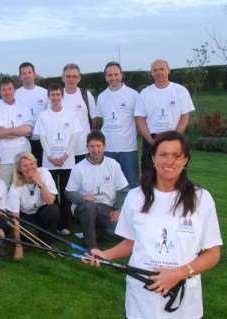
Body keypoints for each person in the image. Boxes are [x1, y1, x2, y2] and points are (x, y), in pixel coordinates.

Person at [87, 131, 222, 319]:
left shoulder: (201, 199)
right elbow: (131, 243)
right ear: (153, 158)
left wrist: (179, 273)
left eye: (177, 156)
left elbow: (213, 253)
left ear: (186, 161)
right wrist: (105, 255)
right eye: (163, 155)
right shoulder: (135, 197)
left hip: (184, 305)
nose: (169, 162)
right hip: (141, 301)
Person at [65, 131, 129, 248]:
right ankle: (92, 246)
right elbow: (69, 192)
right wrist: (82, 197)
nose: (95, 150)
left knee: (121, 234)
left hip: (107, 208)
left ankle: (89, 233)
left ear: (104, 147)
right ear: (87, 148)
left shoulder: (113, 164)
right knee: (89, 206)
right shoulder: (79, 168)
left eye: (98, 146)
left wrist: (118, 209)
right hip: (85, 207)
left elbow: (123, 189)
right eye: (92, 146)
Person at [34, 83, 83, 236]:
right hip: (50, 162)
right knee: (52, 193)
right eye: (52, 95)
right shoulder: (43, 116)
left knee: (66, 193)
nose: (55, 98)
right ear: (48, 97)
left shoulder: (70, 114)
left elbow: (75, 136)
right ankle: (53, 224)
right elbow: (42, 137)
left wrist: (65, 155)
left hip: (67, 161)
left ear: (62, 96)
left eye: (57, 94)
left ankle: (65, 224)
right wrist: (50, 156)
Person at [135, 59, 195, 173]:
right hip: (151, 141)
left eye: (162, 69)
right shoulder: (145, 93)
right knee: (149, 176)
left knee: (176, 175)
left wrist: (175, 137)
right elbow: (140, 119)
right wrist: (150, 140)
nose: (158, 72)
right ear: (151, 73)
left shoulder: (180, 91)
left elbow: (184, 116)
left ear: (168, 70)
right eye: (155, 70)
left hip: (176, 140)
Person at [95, 62, 139, 188]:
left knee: (132, 184)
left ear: (121, 75)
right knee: (109, 184)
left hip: (128, 148)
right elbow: (100, 121)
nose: (113, 77)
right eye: (110, 75)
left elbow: (139, 120)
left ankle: (132, 208)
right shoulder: (102, 97)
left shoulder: (133, 95)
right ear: (105, 77)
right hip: (108, 149)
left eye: (116, 74)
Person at [6, 152, 59, 247]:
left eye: (32, 163)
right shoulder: (15, 186)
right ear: (19, 169)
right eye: (25, 166)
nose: (30, 167)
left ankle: (49, 239)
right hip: (25, 216)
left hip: (41, 212)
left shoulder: (44, 172)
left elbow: (50, 201)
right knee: (30, 235)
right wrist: (18, 245)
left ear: (36, 163)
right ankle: (29, 236)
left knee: (53, 209)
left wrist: (40, 184)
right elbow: (15, 217)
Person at [0, 77, 33, 185]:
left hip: (23, 157)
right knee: (2, 190)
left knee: (24, 191)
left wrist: (8, 131)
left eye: (10, 89)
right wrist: (20, 132)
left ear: (14, 90)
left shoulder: (24, 107)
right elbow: (0, 134)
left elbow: (28, 130)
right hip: (4, 158)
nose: (7, 92)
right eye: (4, 89)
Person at [61, 63, 97, 164]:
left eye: (74, 76)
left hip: (83, 148)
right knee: (66, 180)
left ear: (79, 78)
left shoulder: (85, 94)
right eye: (68, 76)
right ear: (62, 78)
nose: (71, 79)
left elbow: (94, 119)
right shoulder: (57, 95)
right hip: (63, 149)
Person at [15, 62, 48, 166]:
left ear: (34, 74)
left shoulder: (44, 93)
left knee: (41, 171)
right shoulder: (16, 94)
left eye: (29, 72)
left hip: (41, 140)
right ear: (20, 76)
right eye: (23, 73)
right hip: (22, 140)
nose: (27, 75)